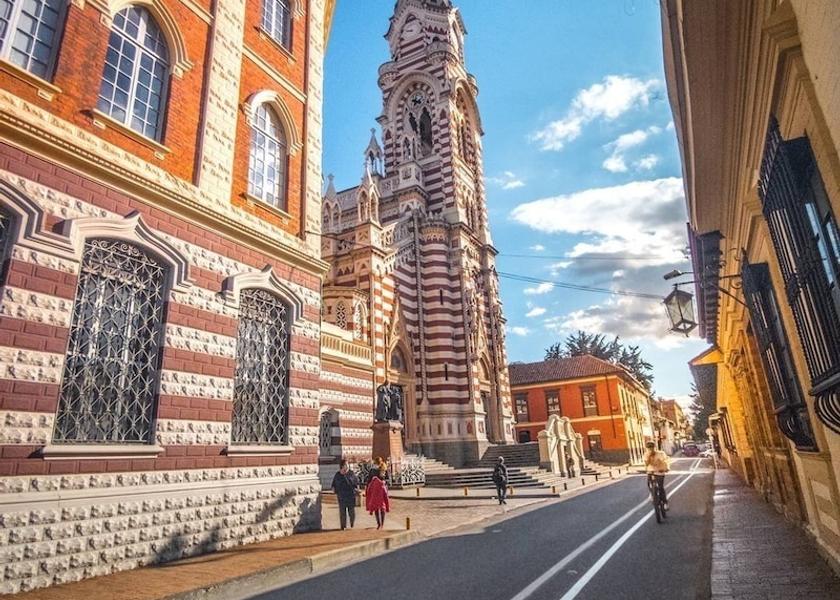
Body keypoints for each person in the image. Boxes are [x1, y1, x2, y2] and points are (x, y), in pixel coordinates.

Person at [331, 459, 359, 530]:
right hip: (341, 496)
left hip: (350, 495)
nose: (347, 466)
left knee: (351, 512)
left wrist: (357, 489)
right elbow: (334, 484)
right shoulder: (338, 475)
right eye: (346, 465)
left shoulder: (351, 473)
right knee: (342, 512)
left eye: (348, 465)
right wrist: (334, 489)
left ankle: (352, 522)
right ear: (342, 466)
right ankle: (343, 526)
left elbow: (356, 483)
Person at [644, 441, 670, 510]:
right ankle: (652, 493)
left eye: (652, 448)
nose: (651, 449)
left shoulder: (661, 454)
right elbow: (646, 464)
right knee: (649, 484)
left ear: (655, 447)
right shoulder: (646, 454)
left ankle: (665, 503)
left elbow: (666, 461)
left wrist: (666, 468)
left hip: (660, 472)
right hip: (651, 472)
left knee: (660, 487)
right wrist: (649, 457)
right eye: (649, 448)